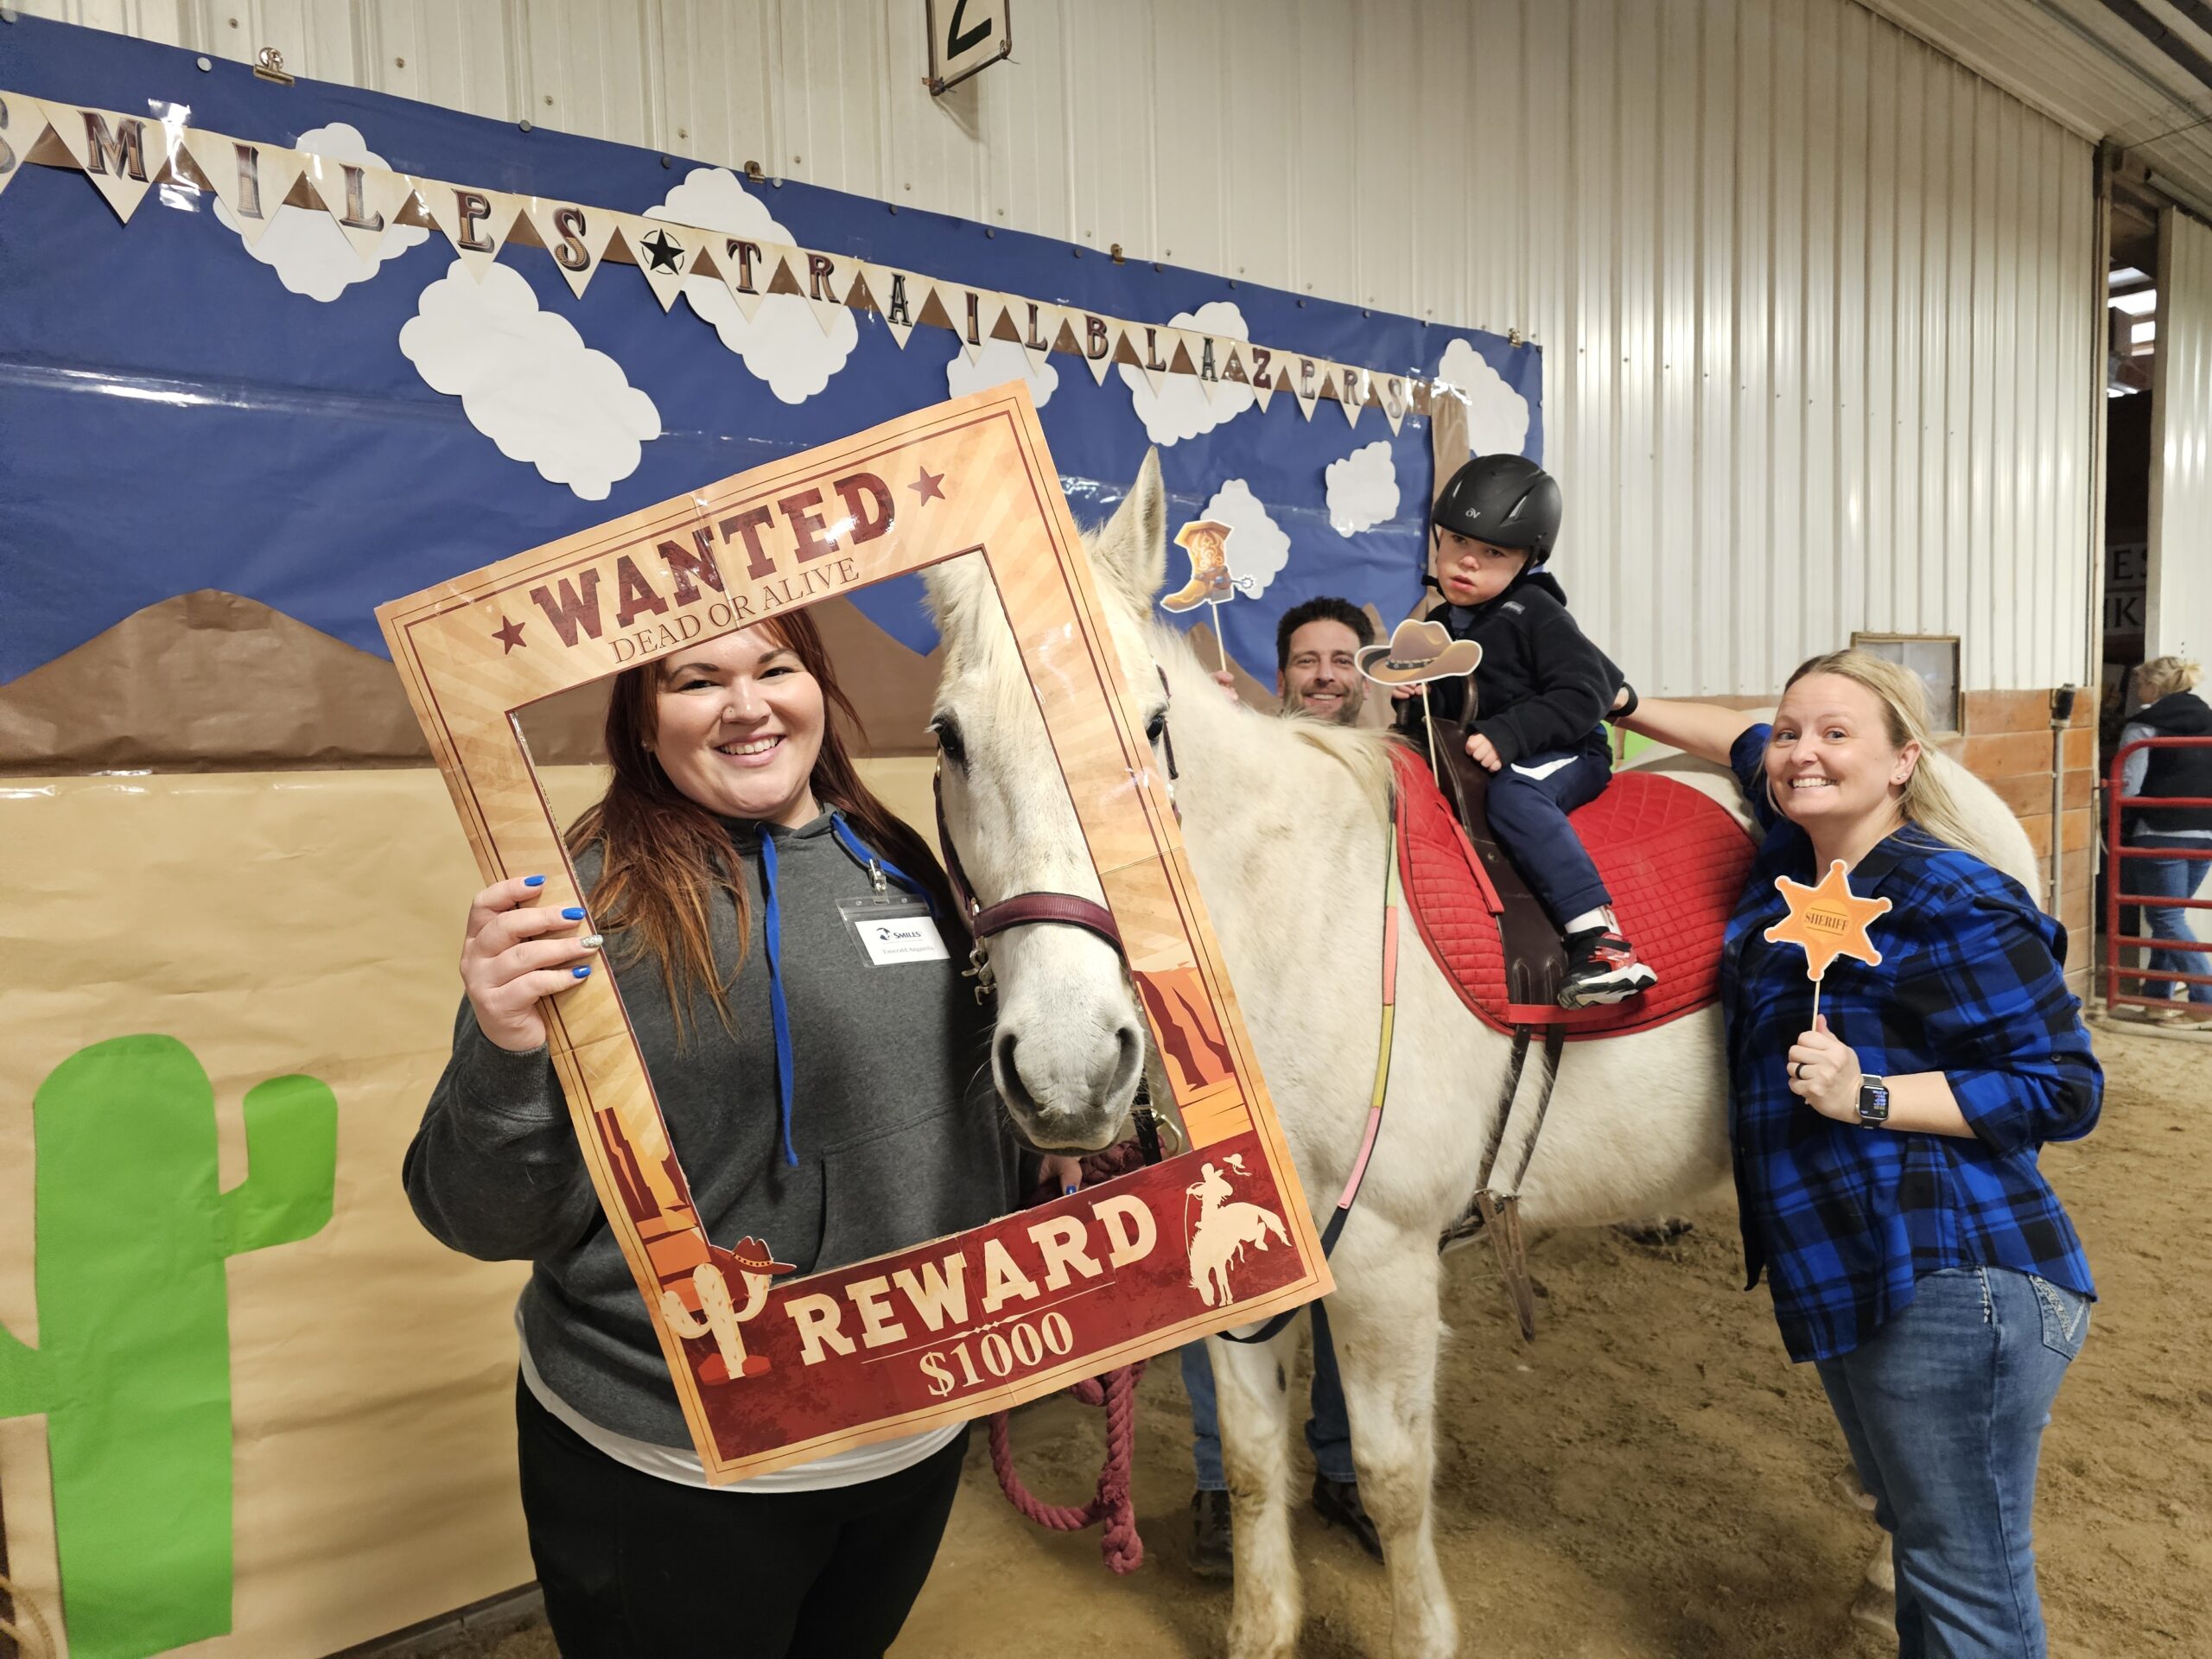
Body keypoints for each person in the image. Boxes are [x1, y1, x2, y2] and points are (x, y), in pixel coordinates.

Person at [404, 611, 1057, 1658]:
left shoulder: (901, 860)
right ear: (643, 721)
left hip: (910, 1434)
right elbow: (480, 1218)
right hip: (670, 1459)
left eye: (775, 668)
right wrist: (501, 1047)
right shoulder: (585, 900)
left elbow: (971, 1126)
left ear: (819, 689)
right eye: (696, 680)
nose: (748, 706)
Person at [1615, 650, 2100, 1657]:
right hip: (1859, 1269)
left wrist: (1869, 1094)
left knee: (1967, 1578)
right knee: (1927, 1549)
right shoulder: (1804, 864)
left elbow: (2063, 1085)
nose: (1801, 753)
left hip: (1953, 1274)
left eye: (1837, 735)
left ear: (1901, 763)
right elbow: (1741, 744)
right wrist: (1621, 703)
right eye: (1791, 732)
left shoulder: (1946, 895)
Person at [1189, 594, 1382, 1576]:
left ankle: (1343, 1466)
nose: (1322, 675)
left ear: (1367, 670)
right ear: (1280, 671)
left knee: (1356, 1272)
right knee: (1225, 1276)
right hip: (1238, 1060)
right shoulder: (1240, 761)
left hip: (1363, 1068)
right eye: (1304, 660)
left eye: (1341, 658)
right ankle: (1223, 1483)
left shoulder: (1403, 769)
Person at [1403, 454, 1656, 1007]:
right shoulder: (1438, 625)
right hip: (1493, 749)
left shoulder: (1538, 613)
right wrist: (1416, 695)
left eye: (1494, 552)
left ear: (1527, 561)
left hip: (1564, 748)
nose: (1468, 561)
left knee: (1515, 794)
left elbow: (1585, 695)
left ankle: (1600, 938)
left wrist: (1511, 733)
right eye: (1458, 542)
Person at [2115, 654, 2212, 1021]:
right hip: (2205, 834)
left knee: (2166, 917)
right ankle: (2158, 999)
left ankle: (2205, 998)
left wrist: (2111, 809)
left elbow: (2130, 786)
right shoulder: (2209, 720)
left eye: (2139, 683)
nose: (2137, 691)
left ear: (2153, 687)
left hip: (2159, 832)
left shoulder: (2144, 726)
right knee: (2170, 917)